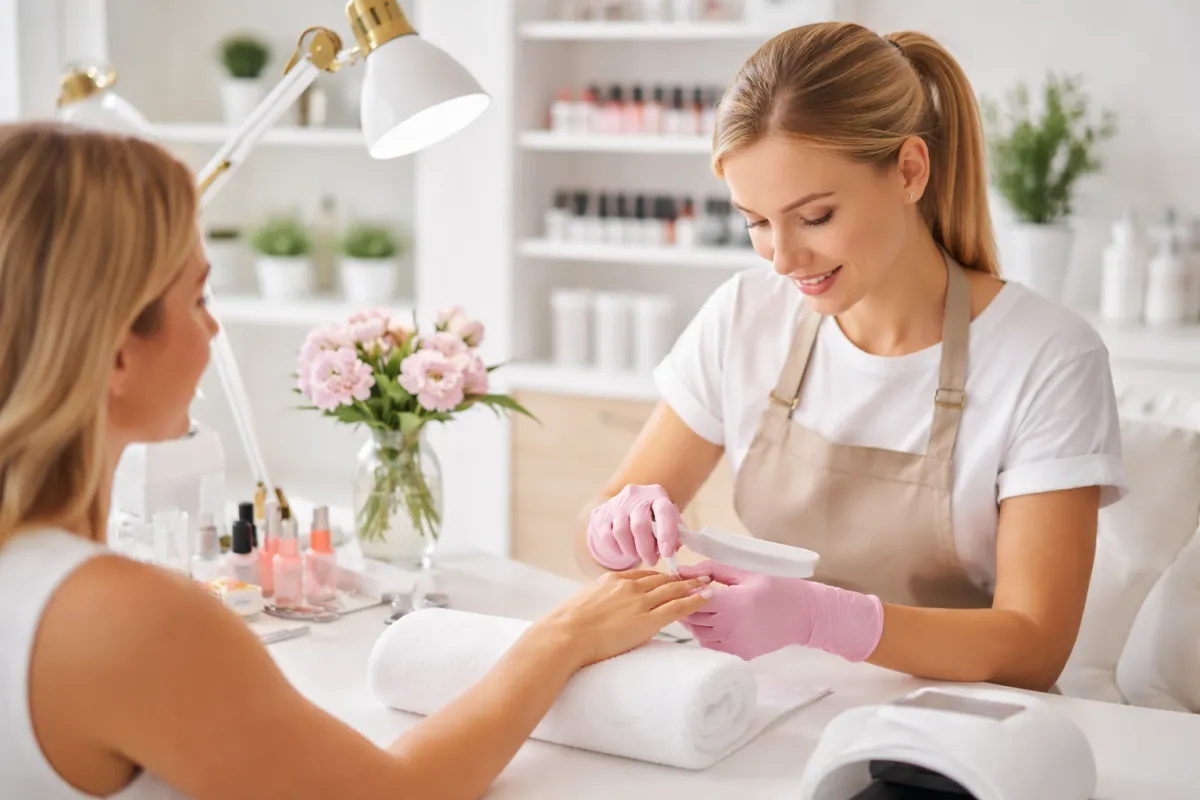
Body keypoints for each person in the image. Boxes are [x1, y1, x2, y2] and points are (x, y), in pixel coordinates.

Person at [0, 122, 713, 799]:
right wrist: (566, 634)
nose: (213, 328)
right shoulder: (126, 620)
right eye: (197, 297)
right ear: (118, 351)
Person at [577, 23, 1126, 693]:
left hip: (958, 733)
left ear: (909, 171)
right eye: (755, 221)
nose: (782, 258)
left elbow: (1035, 646)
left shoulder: (1047, 356)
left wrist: (822, 619)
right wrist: (613, 531)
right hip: (771, 702)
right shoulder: (745, 316)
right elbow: (595, 531)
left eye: (814, 217)